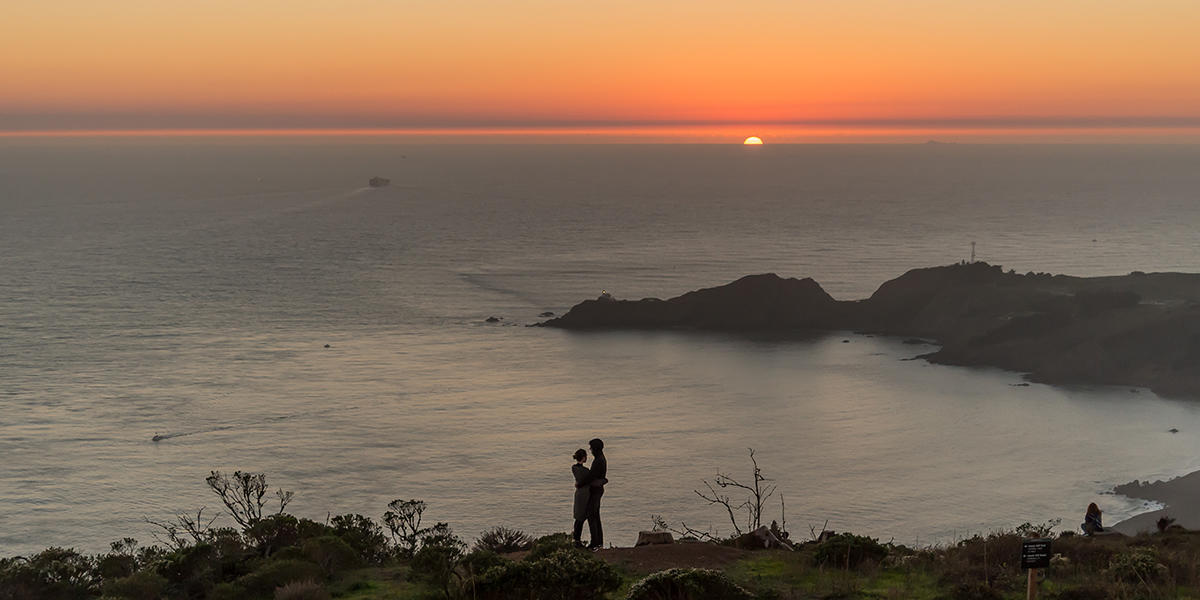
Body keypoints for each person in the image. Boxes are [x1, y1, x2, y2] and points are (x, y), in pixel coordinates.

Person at [576, 438, 608, 549]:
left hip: (596, 491)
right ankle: (598, 542)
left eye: (591, 448)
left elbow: (591, 476)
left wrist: (580, 484)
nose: (590, 450)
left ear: (595, 449)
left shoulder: (598, 460)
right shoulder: (600, 459)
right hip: (597, 490)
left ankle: (595, 543)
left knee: (592, 516)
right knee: (595, 516)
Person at [571, 449, 591, 546]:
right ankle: (577, 539)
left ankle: (576, 538)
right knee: (582, 517)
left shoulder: (574, 468)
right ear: (583, 457)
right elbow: (590, 479)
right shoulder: (586, 471)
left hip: (579, 494)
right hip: (585, 494)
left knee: (578, 517)